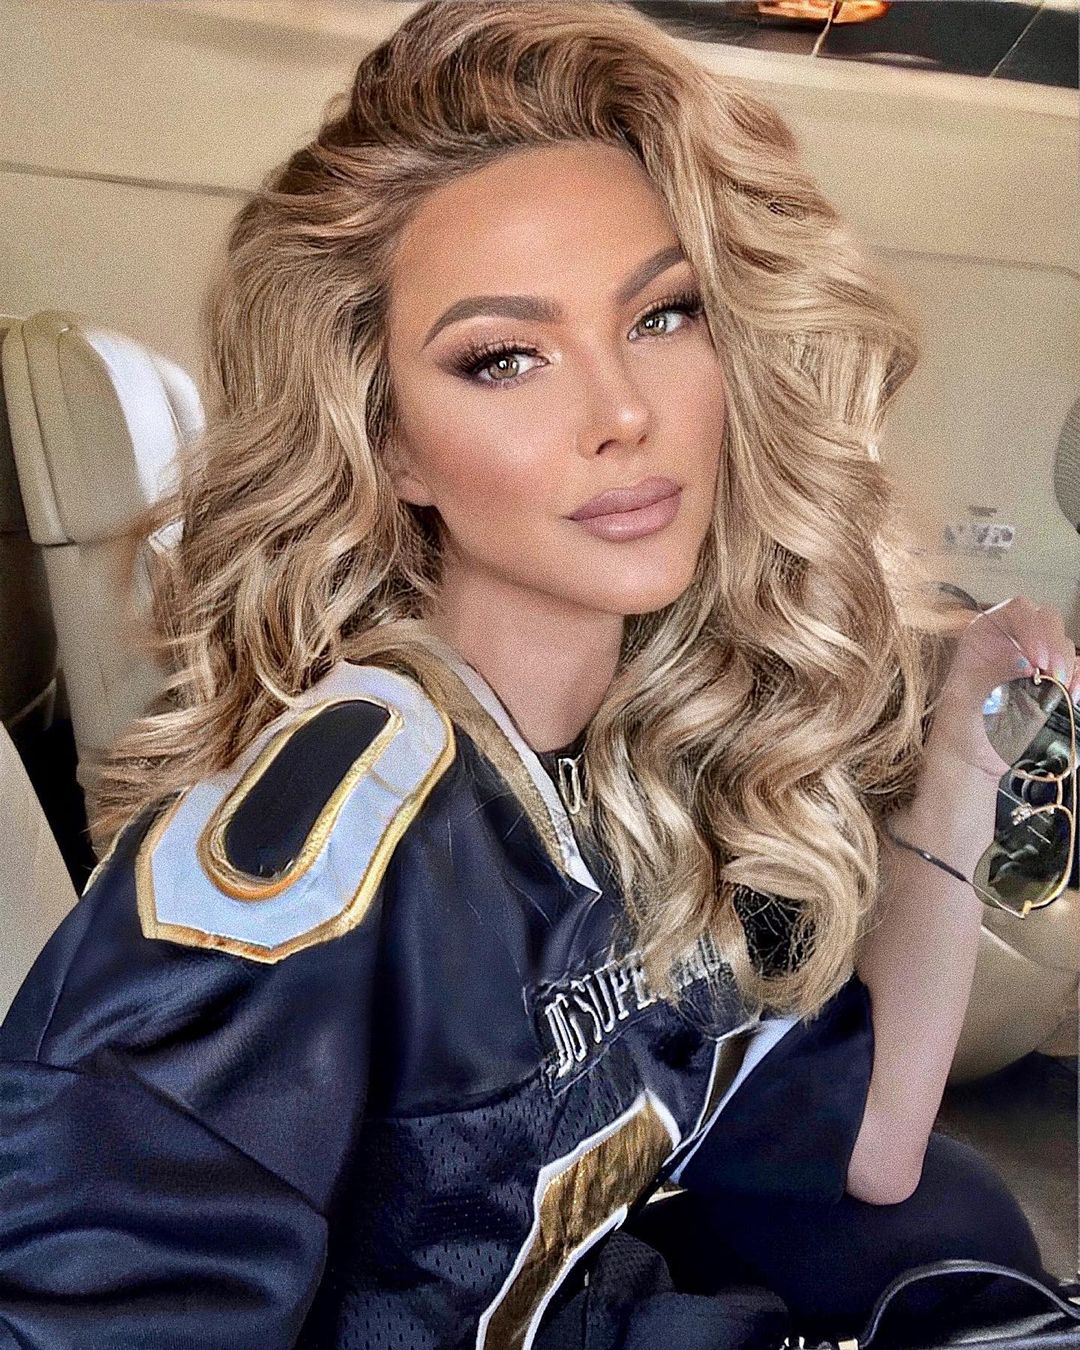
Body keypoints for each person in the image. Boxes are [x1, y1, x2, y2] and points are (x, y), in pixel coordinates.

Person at [0, 2, 1074, 1347]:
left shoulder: (654, 764)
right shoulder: (323, 861)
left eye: (664, 315)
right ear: (392, 444)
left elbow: (872, 1149)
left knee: (966, 1233)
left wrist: (964, 758)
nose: (622, 412)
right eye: (503, 358)